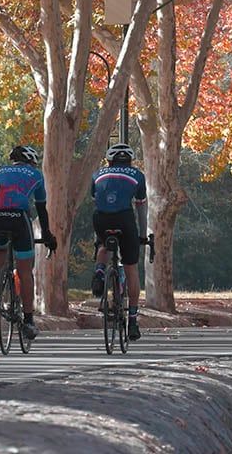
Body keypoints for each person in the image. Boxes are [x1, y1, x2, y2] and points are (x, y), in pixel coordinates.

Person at [0, 145, 58, 340]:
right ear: (31, 161)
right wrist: (47, 235)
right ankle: (28, 321)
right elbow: (41, 209)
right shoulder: (35, 175)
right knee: (25, 271)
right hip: (19, 217)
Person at [90, 143, 148, 341]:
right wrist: (142, 235)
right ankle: (132, 320)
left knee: (104, 244)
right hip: (125, 219)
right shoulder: (138, 175)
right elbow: (141, 207)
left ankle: (99, 272)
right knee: (131, 268)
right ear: (130, 161)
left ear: (109, 160)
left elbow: (96, 200)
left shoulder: (97, 174)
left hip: (101, 218)